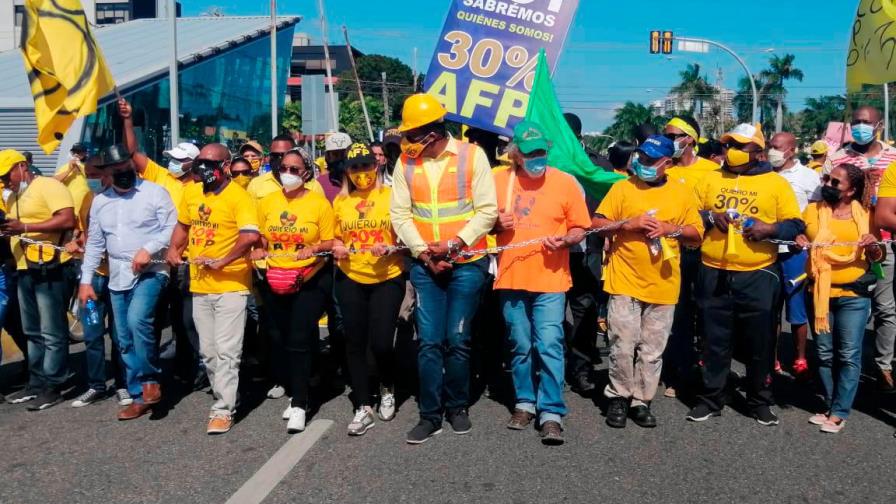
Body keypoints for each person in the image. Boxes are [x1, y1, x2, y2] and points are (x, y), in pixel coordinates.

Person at [390, 93, 497, 444]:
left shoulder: (472, 155)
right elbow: (399, 215)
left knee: (458, 339)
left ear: (432, 133)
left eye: (412, 133)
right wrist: (424, 254)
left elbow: (487, 211)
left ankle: (457, 407)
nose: (406, 140)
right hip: (425, 266)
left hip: (466, 263)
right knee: (429, 343)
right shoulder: (406, 162)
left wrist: (454, 244)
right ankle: (430, 415)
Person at [687, 123, 804, 426]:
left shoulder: (776, 184)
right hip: (714, 271)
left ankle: (759, 400)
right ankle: (711, 397)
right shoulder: (710, 178)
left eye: (740, 146)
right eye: (728, 145)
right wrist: (712, 217)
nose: (731, 152)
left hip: (759, 273)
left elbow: (794, 225)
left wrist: (770, 229)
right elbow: (689, 216)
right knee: (714, 339)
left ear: (758, 152)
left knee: (760, 342)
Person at [593, 135, 703, 428]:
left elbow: (697, 235)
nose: (642, 163)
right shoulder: (622, 188)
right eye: (640, 158)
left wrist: (671, 229)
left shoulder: (681, 193)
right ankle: (618, 396)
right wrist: (626, 225)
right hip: (624, 279)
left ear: (667, 163)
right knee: (622, 344)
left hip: (663, 284)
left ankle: (642, 401)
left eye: (651, 160)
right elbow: (596, 224)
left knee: (652, 350)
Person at [492, 121, 590, 445]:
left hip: (551, 279)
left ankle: (551, 412)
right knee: (519, 344)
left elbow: (581, 228)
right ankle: (524, 402)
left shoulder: (564, 183)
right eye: (531, 153)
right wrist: (495, 223)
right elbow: (476, 224)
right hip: (511, 277)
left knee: (548, 343)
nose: (538, 158)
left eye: (542, 152)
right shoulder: (498, 181)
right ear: (516, 154)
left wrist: (566, 240)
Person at [78, 144, 176, 420]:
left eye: (126, 167)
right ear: (107, 173)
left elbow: (172, 228)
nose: (123, 172)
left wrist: (150, 248)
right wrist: (86, 281)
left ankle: (149, 381)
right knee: (123, 338)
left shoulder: (155, 193)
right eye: (116, 170)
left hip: (152, 269)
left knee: (137, 321)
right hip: (118, 274)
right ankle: (137, 395)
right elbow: (96, 244)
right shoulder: (101, 202)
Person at [166, 144, 259, 434]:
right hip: (200, 283)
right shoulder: (191, 192)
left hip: (232, 283)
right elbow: (183, 225)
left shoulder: (239, 197)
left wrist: (224, 260)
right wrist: (173, 248)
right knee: (208, 351)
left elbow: (249, 235)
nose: (204, 167)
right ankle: (228, 392)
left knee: (227, 351)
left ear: (226, 165)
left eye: (210, 162)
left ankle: (222, 408)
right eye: (200, 162)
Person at [118, 98, 206, 391]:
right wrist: (128, 120)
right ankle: (151, 374)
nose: (173, 163)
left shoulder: (200, 188)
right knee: (152, 318)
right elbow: (132, 153)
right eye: (171, 158)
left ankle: (188, 369)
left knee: (185, 321)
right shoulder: (162, 175)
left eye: (179, 160)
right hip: (156, 260)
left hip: (185, 263)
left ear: (193, 164)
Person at [252, 147, 334, 434]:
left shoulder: (318, 203)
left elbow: (330, 242)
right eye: (283, 168)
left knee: (299, 337)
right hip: (274, 277)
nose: (287, 173)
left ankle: (300, 403)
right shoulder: (268, 202)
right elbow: (260, 238)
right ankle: (303, 381)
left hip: (310, 279)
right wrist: (258, 251)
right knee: (280, 336)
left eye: (294, 169)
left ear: (307, 173)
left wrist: (313, 249)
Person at [797, 164, 883, 433]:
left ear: (852, 190)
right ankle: (829, 402)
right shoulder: (812, 210)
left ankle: (839, 412)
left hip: (853, 296)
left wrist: (872, 246)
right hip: (819, 293)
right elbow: (798, 232)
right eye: (827, 179)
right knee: (822, 352)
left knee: (848, 353)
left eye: (836, 182)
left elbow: (877, 258)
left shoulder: (867, 216)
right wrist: (799, 237)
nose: (828, 185)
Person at [332, 143, 406, 436]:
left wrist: (390, 246)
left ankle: (387, 385)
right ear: (347, 171)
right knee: (354, 341)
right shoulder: (340, 202)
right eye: (355, 167)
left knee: (382, 342)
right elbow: (333, 238)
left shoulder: (392, 196)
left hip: (387, 276)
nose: (361, 172)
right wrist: (337, 246)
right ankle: (363, 404)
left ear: (376, 166)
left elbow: (406, 236)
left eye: (366, 166)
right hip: (350, 277)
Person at [0, 150, 76, 410]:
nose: (4, 182)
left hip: (51, 267)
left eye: (5, 175)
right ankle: (36, 382)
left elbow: (67, 219)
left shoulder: (48, 185)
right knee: (31, 331)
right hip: (24, 268)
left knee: (51, 331)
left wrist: (24, 228)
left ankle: (54, 385)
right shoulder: (13, 196)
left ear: (22, 166)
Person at [829, 106, 896, 394]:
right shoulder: (836, 157)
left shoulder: (893, 157)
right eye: (855, 122)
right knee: (845, 303)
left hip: (883, 242)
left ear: (879, 124)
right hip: (847, 243)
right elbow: (826, 198)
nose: (860, 127)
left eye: (866, 122)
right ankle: (843, 362)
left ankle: (883, 364)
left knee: (885, 307)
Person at [663, 116, 720, 398]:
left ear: (690, 139)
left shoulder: (712, 170)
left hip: (707, 254)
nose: (669, 141)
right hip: (673, 254)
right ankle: (679, 372)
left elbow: (718, 210)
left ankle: (709, 373)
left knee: (709, 314)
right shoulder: (665, 170)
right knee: (679, 314)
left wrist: (704, 217)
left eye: (674, 135)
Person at [67, 156, 129, 408]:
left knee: (119, 335)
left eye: (94, 174)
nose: (90, 180)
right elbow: (82, 233)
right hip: (92, 282)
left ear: (108, 174)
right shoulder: (87, 200)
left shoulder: (122, 199)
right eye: (87, 175)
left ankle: (124, 385)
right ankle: (96, 386)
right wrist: (75, 241)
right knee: (92, 334)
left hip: (119, 280)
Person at [769, 131, 820, 379]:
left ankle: (800, 356)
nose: (772, 152)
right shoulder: (763, 174)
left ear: (792, 150)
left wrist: (808, 237)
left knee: (797, 310)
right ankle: (772, 357)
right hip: (766, 250)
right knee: (770, 309)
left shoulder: (810, 177)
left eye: (777, 147)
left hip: (795, 253)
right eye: (770, 146)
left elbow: (819, 211)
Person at [318, 132, 353, 201]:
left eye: (343, 154)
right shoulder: (320, 184)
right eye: (335, 154)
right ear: (327, 157)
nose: (340, 158)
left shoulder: (359, 180)